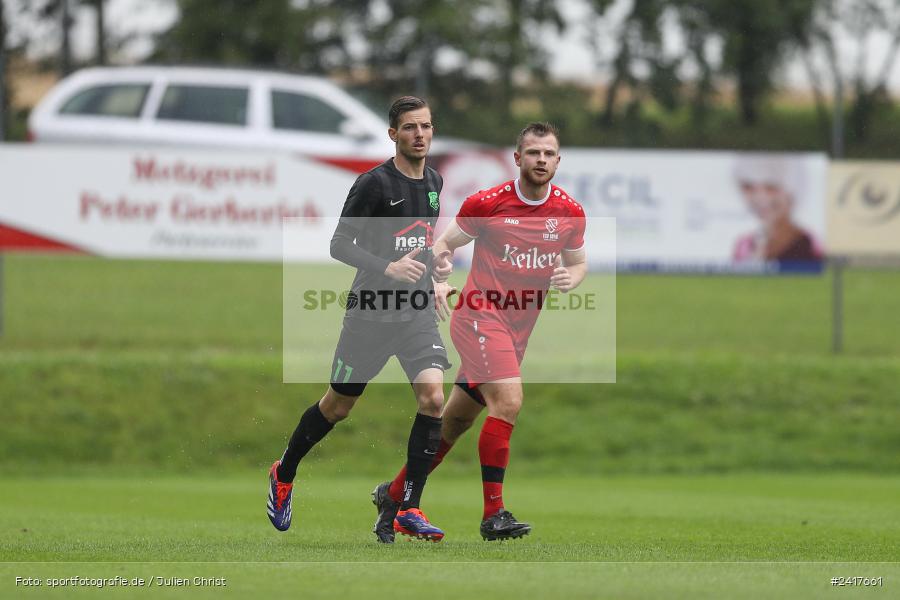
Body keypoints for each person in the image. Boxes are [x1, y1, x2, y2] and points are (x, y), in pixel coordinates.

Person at [371, 122, 588, 541]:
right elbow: (440, 246)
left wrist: (570, 278)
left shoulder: (569, 213)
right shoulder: (487, 203)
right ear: (517, 158)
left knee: (452, 426)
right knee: (508, 401)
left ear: (558, 161)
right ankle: (494, 515)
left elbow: (579, 262)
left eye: (548, 154)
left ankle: (392, 495)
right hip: (479, 317)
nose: (541, 160)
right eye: (533, 153)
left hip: (517, 330)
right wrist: (434, 280)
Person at [268, 96, 451, 542]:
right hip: (369, 314)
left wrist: (438, 273)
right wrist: (387, 268)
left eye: (426, 126)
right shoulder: (372, 184)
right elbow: (339, 244)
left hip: (415, 314)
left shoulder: (434, 181)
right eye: (410, 127)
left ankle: (409, 506)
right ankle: (284, 471)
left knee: (432, 399)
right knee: (338, 407)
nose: (420, 134)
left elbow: (422, 246)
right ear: (393, 134)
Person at [732, 156, 823, 266]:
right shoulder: (744, 245)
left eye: (771, 187)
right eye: (749, 187)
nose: (759, 198)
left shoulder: (810, 245)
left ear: (791, 193)